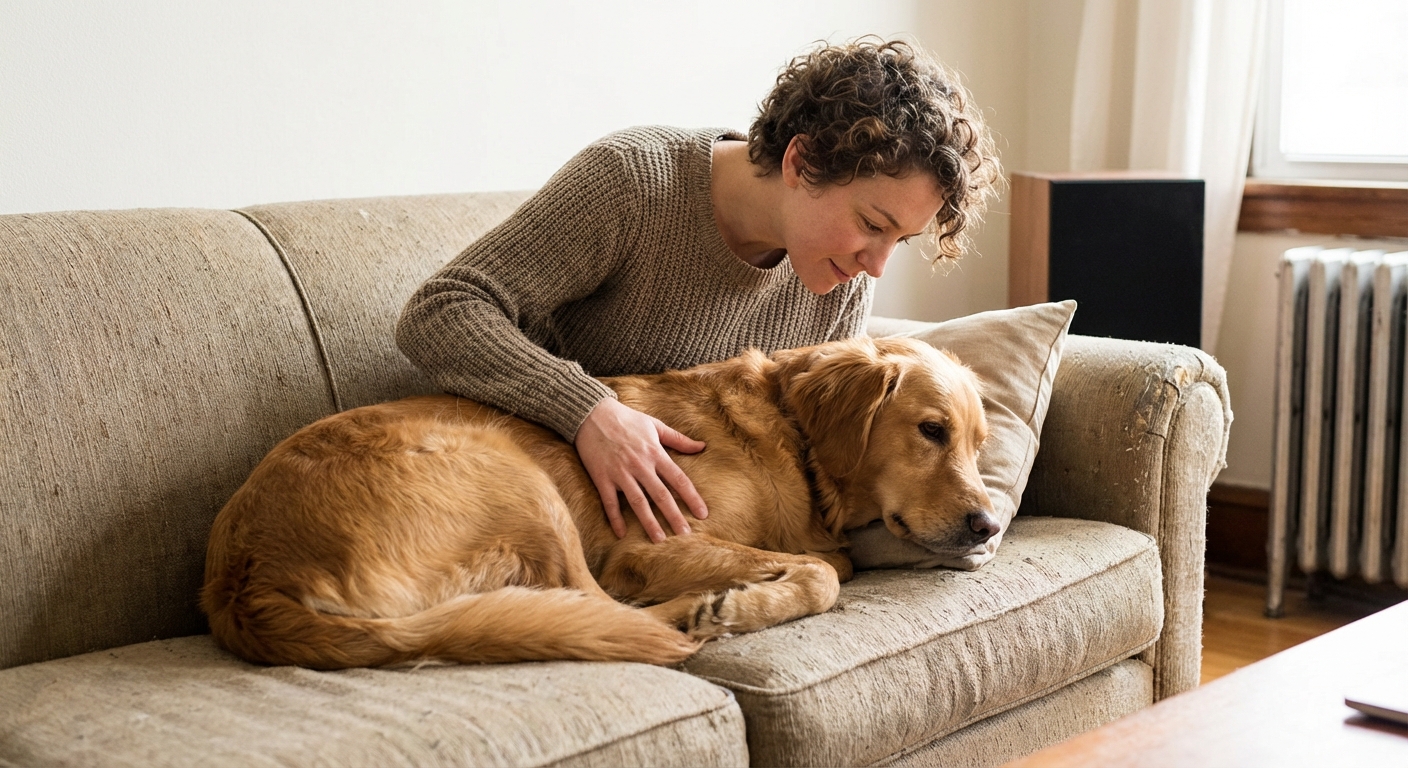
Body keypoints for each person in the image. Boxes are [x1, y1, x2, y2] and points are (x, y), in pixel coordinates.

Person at [396, 38, 1001, 545]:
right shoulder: (632, 184)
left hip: (665, 532)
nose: (877, 265)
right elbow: (441, 311)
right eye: (873, 224)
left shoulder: (836, 278)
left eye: (903, 239)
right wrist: (588, 412)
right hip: (496, 490)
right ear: (801, 161)